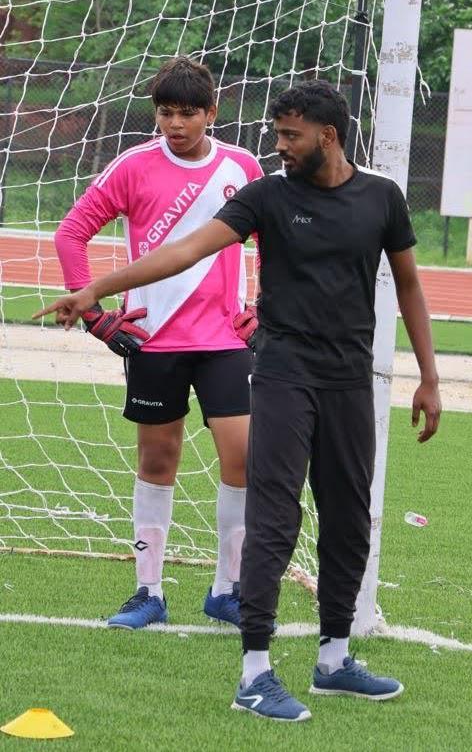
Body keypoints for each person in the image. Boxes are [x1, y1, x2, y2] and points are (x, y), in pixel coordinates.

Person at [37, 80, 441, 721]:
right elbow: (184, 251)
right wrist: (96, 291)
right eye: (277, 134)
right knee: (274, 515)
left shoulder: (381, 197)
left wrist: (429, 377)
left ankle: (334, 660)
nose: (280, 146)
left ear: (328, 136)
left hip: (348, 382)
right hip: (281, 375)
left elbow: (410, 285)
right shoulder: (267, 195)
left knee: (348, 518)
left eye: (290, 136)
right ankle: (254, 673)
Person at [53, 56, 262, 630]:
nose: (175, 124)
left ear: (212, 113)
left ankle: (228, 590)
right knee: (157, 458)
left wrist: (263, 305)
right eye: (166, 112)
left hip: (224, 340)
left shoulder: (243, 167)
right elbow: (71, 233)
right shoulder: (133, 166)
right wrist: (94, 315)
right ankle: (148, 592)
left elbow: (272, 238)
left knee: (243, 457)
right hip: (154, 341)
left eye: (187, 113)